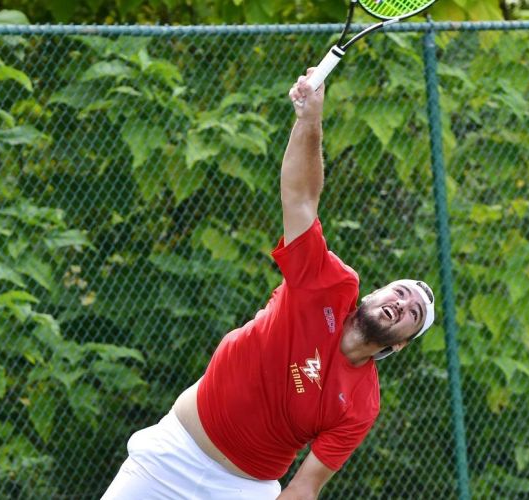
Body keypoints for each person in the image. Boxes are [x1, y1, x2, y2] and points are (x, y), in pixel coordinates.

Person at [102, 68, 436, 500]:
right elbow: (300, 199)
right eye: (400, 291)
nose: (402, 304)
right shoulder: (329, 285)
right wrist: (310, 121)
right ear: (373, 294)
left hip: (243, 491)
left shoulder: (362, 404)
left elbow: (306, 486)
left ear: (401, 343)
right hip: (169, 455)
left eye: (414, 314)